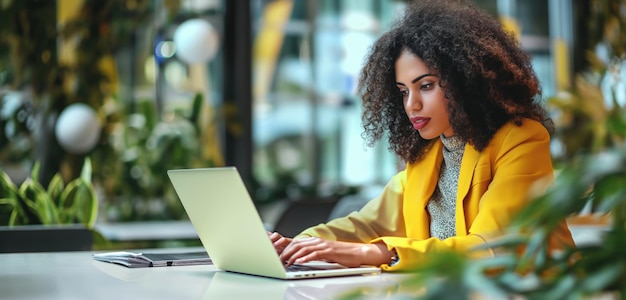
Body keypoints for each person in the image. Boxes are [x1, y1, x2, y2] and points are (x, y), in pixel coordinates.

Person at [270, 0, 575, 272]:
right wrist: (297, 244)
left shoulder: (521, 139)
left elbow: (490, 249)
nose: (411, 104)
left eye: (426, 86)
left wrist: (374, 252)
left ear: (465, 80)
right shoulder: (428, 154)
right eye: (403, 91)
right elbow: (366, 224)